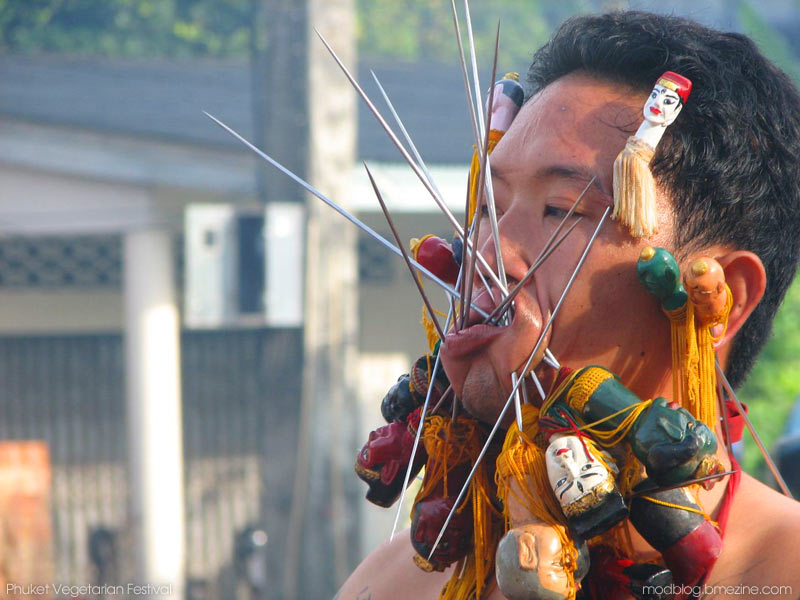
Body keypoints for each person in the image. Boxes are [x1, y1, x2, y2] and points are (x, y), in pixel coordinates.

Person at [339, 10, 800, 599]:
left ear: (720, 298)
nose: (488, 253)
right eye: (487, 208)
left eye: (561, 208)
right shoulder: (396, 583)